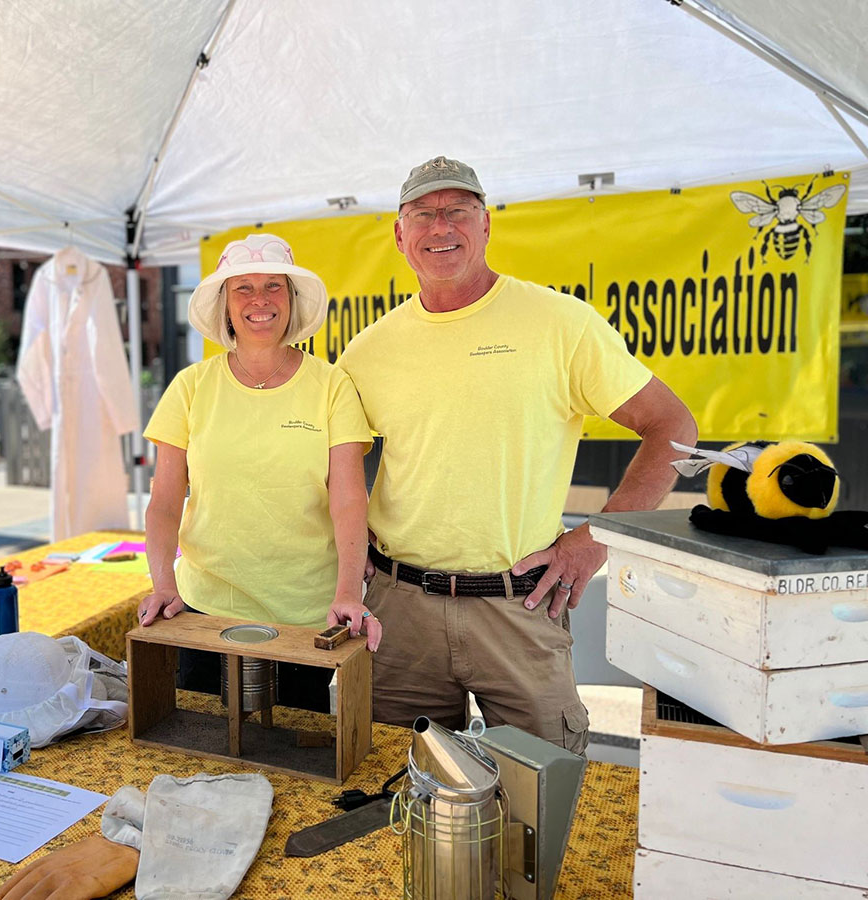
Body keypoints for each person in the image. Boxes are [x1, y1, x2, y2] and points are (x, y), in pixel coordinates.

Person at [336, 156, 698, 752]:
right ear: (399, 236)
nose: (440, 226)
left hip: (519, 603)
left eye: (458, 210)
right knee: (401, 795)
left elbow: (672, 424)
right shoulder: (370, 349)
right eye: (422, 213)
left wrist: (597, 538)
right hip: (398, 614)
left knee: (540, 801)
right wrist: (348, 563)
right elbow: (333, 468)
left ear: (487, 225)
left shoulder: (561, 323)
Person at [139, 233, 381, 711]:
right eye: (242, 288)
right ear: (225, 306)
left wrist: (348, 593)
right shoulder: (191, 386)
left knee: (294, 763)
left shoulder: (331, 385)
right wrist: (163, 583)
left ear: (291, 300)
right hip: (205, 609)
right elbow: (165, 501)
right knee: (200, 749)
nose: (259, 300)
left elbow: (349, 498)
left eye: (274, 286)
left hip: (305, 615)